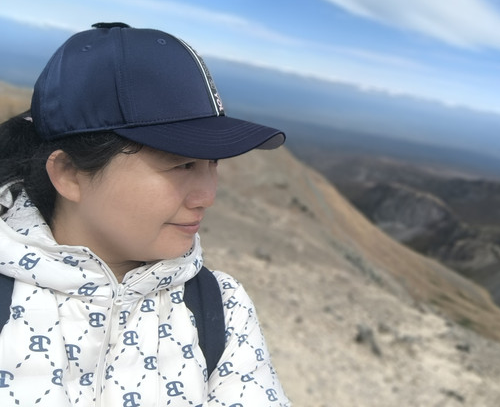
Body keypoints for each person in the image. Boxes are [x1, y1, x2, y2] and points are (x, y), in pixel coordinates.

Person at [0, 22, 291, 406]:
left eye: (213, 163)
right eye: (182, 165)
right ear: (70, 174)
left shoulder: (221, 308)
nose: (207, 197)